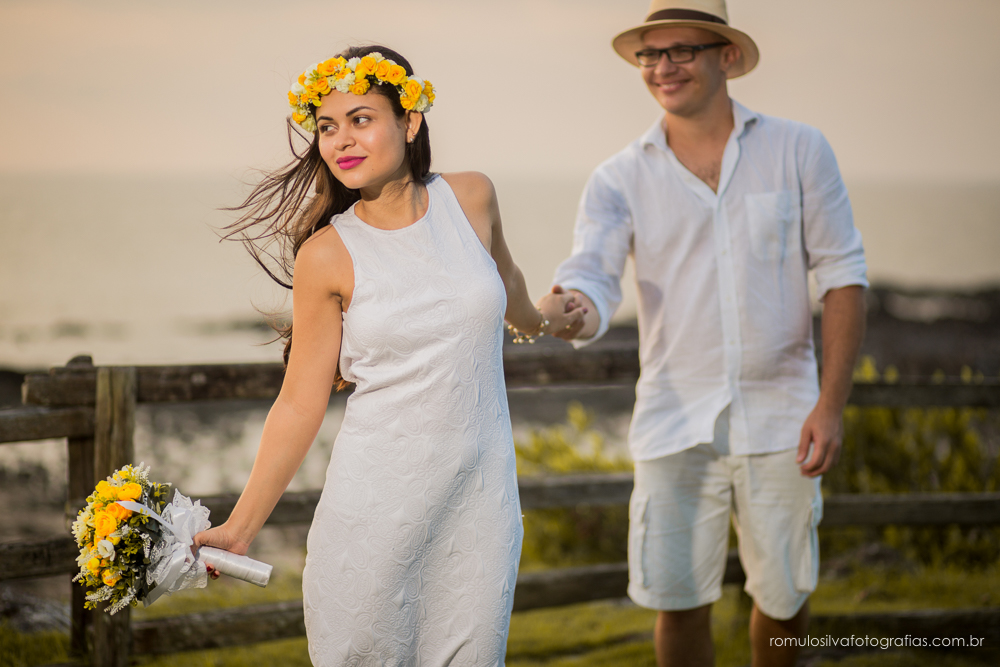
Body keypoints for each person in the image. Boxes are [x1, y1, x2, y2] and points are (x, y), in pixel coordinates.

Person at [192, 45, 584, 665]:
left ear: (410, 122)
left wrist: (555, 318)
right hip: (373, 518)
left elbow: (505, 289)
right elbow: (299, 403)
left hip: (481, 512)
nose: (341, 140)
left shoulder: (472, 198)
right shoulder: (326, 255)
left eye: (361, 119)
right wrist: (239, 528)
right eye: (326, 126)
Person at [539, 2, 868, 666]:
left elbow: (843, 278)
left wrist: (829, 406)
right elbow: (594, 282)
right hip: (672, 419)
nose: (664, 67)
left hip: (785, 419)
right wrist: (568, 308)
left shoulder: (800, 148)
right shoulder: (617, 178)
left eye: (681, 51)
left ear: (727, 56)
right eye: (650, 54)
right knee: (678, 599)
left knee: (782, 598)